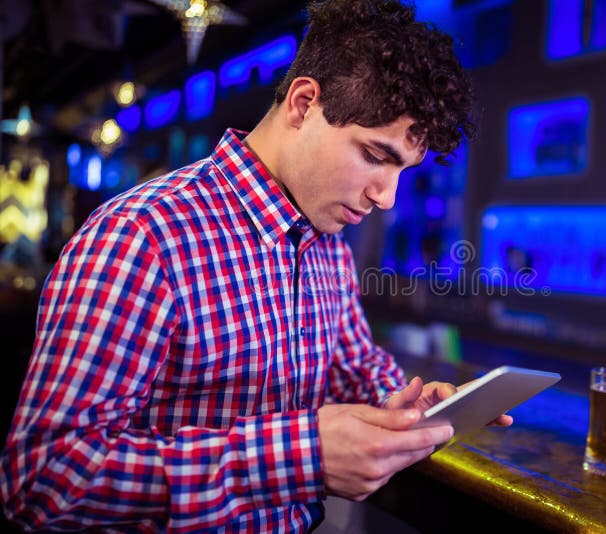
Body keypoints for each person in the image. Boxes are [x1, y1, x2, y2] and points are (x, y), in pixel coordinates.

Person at [0, 0, 510, 531]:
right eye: (375, 156)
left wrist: (413, 403)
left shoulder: (326, 242)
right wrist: (297, 457)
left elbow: (355, 367)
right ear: (304, 103)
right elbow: (42, 481)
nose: (387, 197)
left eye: (401, 169)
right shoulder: (142, 236)